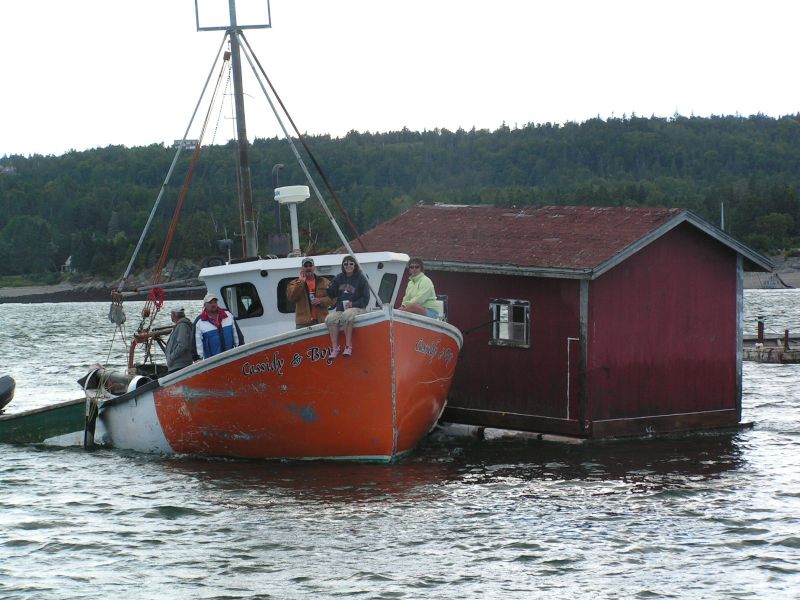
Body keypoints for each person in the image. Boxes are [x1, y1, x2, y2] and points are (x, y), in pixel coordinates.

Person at [325, 255, 370, 358]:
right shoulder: (339, 277)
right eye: (345, 264)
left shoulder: (361, 277)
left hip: (358, 308)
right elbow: (333, 294)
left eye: (351, 263)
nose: (348, 266)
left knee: (347, 315)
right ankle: (335, 347)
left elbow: (366, 299)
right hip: (341, 309)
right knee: (330, 318)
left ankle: (348, 346)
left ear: (355, 265)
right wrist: (328, 288)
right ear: (343, 265)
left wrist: (353, 304)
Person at [286, 257, 334, 328]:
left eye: (310, 266)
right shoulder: (294, 283)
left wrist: (320, 301)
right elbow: (292, 298)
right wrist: (300, 282)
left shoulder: (324, 281)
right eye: (305, 266)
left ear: (314, 267)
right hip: (303, 323)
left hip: (322, 321)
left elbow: (334, 298)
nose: (308, 268)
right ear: (302, 268)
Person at [195, 293, 240, 359]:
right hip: (212, 361)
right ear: (205, 305)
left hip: (231, 357)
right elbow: (198, 343)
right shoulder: (200, 322)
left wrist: (239, 349)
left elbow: (236, 334)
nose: (213, 304)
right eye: (210, 302)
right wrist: (199, 358)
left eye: (215, 302)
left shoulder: (228, 315)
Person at [165, 307, 193, 372]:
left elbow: (183, 345)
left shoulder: (182, 326)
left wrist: (171, 358)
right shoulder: (181, 325)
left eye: (171, 314)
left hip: (179, 366)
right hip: (178, 365)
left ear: (174, 315)